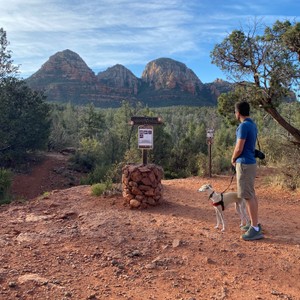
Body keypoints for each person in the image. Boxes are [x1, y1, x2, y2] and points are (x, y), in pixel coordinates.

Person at [231, 101, 264, 241]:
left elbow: (239, 147)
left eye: (235, 112)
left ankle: (255, 228)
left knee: (248, 196)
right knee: (251, 194)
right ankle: (253, 223)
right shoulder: (252, 125)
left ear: (238, 113)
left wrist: (233, 159)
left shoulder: (243, 126)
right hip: (250, 163)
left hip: (244, 164)